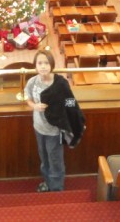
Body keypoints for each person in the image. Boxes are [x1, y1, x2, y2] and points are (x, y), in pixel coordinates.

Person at [25, 50, 85, 193]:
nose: (43, 66)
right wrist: (35, 106)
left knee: (55, 160)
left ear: (52, 65)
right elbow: (28, 99)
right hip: (39, 128)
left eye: (46, 63)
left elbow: (70, 101)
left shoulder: (61, 83)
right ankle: (47, 182)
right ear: (35, 66)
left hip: (54, 130)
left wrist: (76, 120)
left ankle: (56, 189)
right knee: (44, 158)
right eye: (40, 63)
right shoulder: (32, 82)